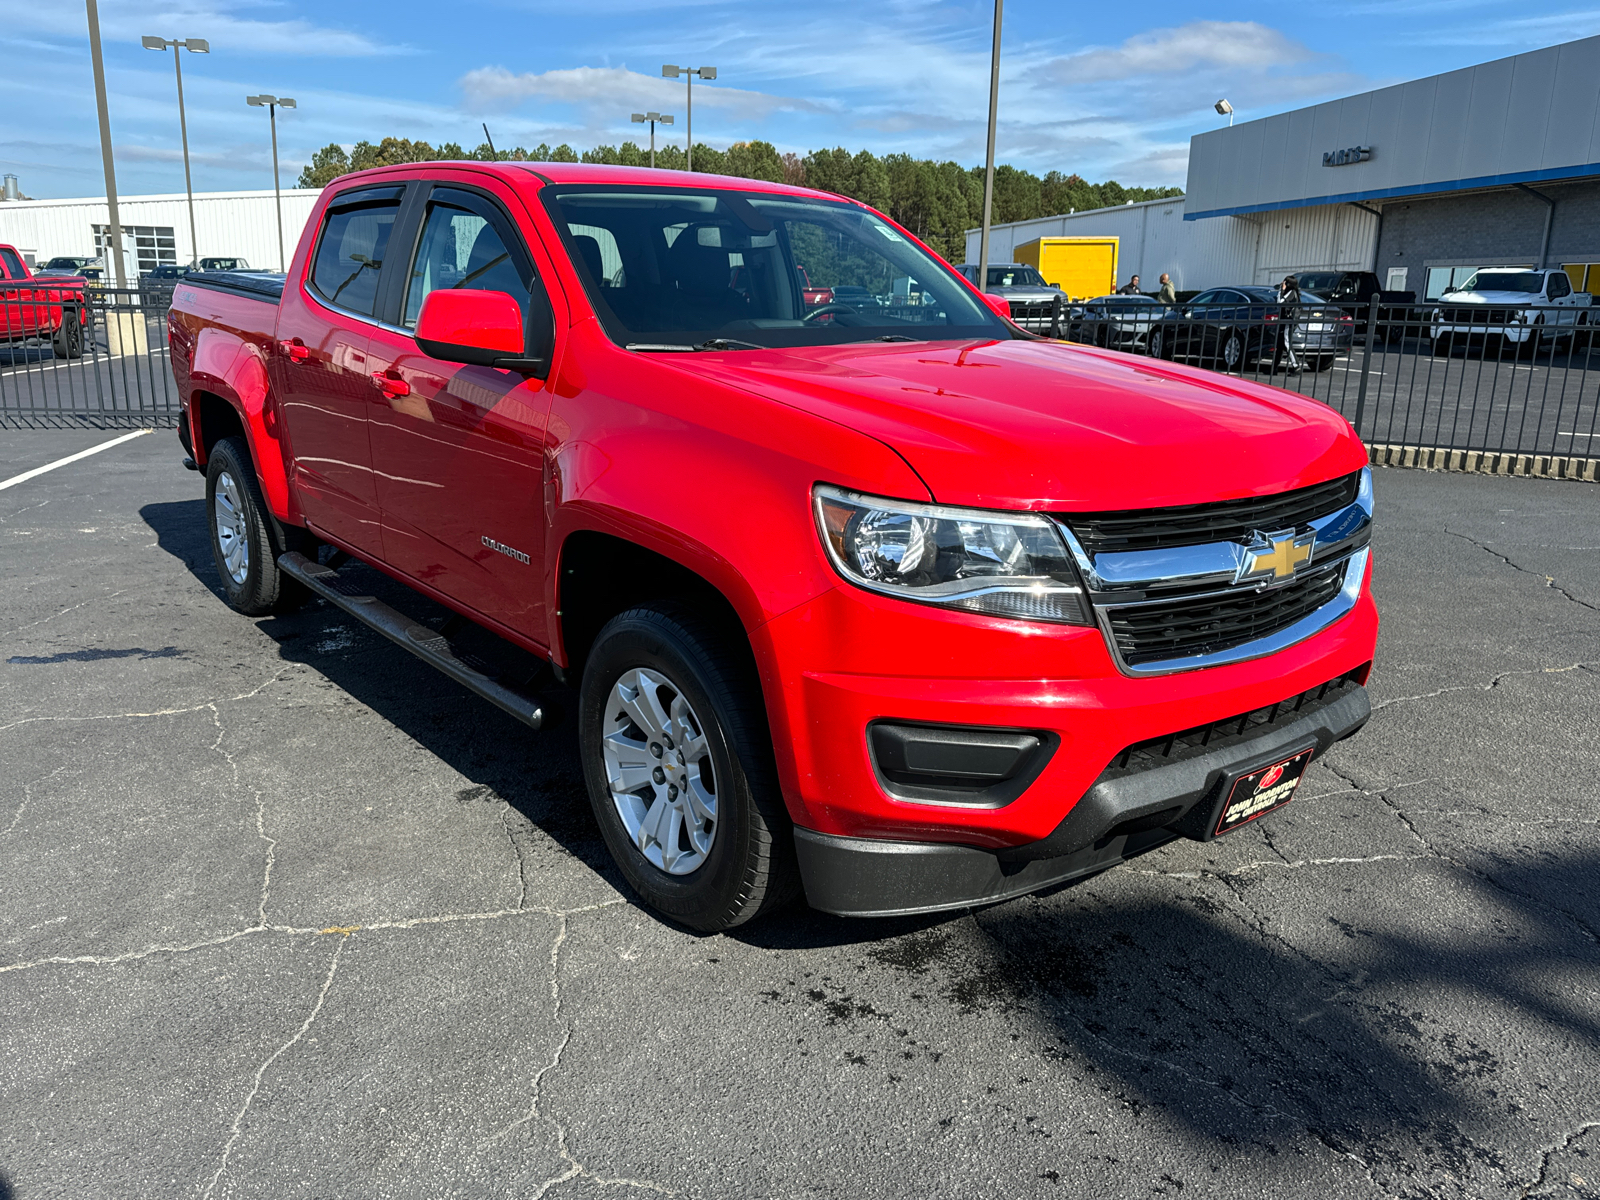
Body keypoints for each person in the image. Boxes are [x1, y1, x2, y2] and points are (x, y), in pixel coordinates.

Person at [1273, 275, 1302, 373]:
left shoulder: (1291, 293)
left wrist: (1281, 290)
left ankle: (1296, 366)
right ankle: (1274, 367)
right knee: (1280, 344)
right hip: (1285, 320)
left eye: (1284, 282)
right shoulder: (1292, 293)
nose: (1282, 283)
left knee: (1286, 342)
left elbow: (1279, 302)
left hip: (1288, 321)